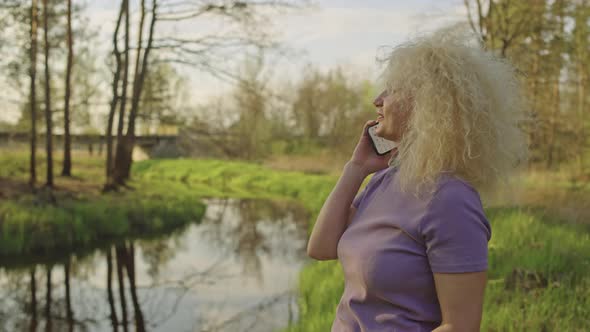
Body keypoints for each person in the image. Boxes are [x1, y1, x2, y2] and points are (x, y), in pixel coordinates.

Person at [306, 24, 529, 332]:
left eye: (392, 89)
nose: (378, 100)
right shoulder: (383, 182)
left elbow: (459, 326)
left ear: (428, 104)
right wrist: (356, 169)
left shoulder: (451, 200)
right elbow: (321, 249)